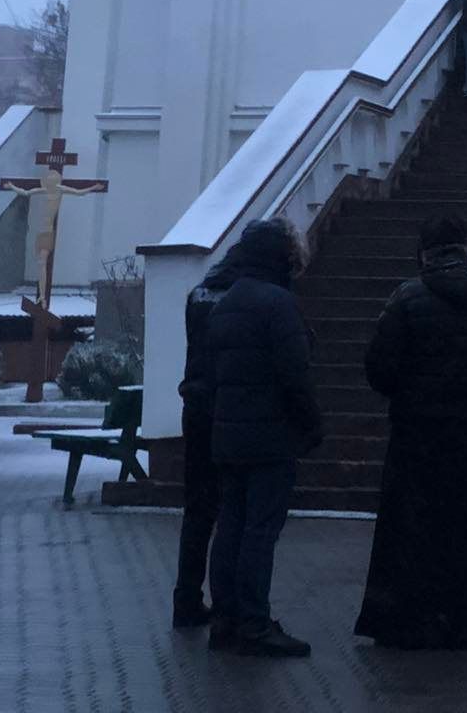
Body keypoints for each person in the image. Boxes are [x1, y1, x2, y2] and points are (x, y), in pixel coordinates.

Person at [354, 215, 467, 651]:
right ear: (464, 249)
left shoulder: (407, 298)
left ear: (424, 252)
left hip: (416, 432)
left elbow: (379, 367)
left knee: (411, 524)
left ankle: (410, 620)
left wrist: (409, 393)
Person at [206, 218, 322, 659]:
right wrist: (310, 424)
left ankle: (225, 619)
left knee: (230, 526)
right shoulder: (278, 304)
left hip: (229, 433)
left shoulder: (227, 302)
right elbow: (295, 374)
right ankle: (254, 623)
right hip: (270, 435)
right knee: (260, 530)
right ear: (281, 256)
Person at [172, 244, 245, 629]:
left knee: (197, 510)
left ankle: (186, 598)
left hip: (195, 406)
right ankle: (227, 601)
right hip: (228, 409)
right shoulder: (243, 299)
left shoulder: (198, 295)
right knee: (233, 509)